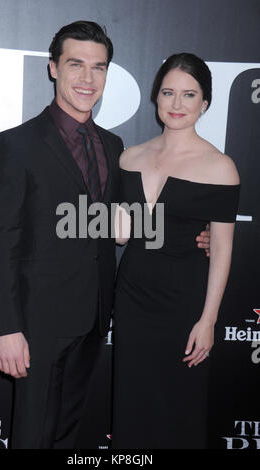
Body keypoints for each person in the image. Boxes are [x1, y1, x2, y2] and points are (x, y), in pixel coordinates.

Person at [0, 20, 210, 449]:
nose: (88, 79)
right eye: (76, 65)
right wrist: (6, 328)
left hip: (95, 316)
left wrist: (196, 236)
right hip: (37, 323)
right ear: (53, 68)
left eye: (99, 67)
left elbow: (121, 224)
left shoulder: (113, 145)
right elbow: (0, 239)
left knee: (70, 433)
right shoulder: (16, 143)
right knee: (32, 435)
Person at [112, 53, 240, 449]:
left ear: (204, 103)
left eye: (189, 94)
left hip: (185, 303)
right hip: (132, 297)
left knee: (179, 405)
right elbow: (119, 235)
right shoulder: (130, 156)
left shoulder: (220, 167)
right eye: (168, 92)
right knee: (132, 404)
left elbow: (220, 249)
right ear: (156, 98)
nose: (177, 104)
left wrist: (208, 321)